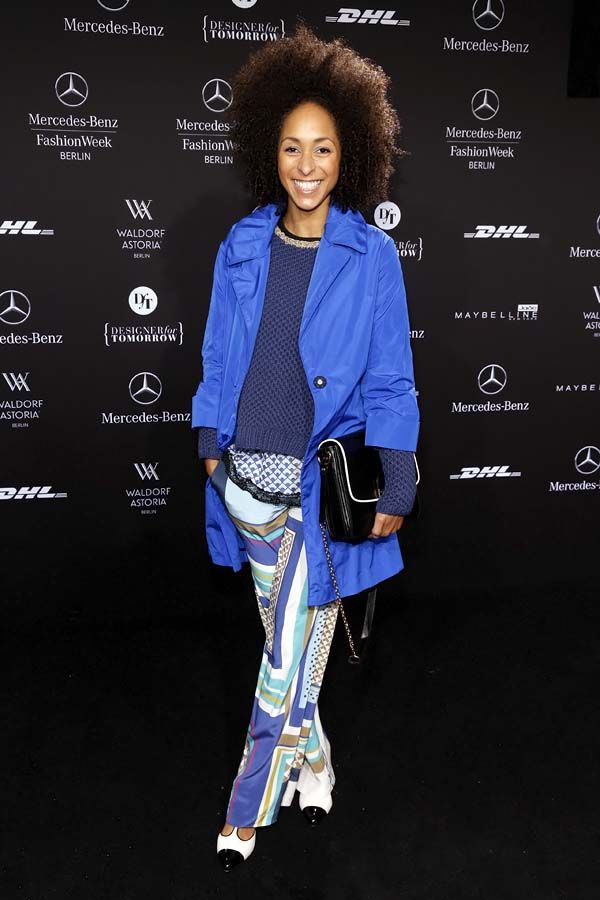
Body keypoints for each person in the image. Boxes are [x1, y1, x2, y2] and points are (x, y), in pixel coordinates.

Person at [191, 21, 420, 870]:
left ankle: (244, 812)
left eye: (324, 148)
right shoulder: (243, 243)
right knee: (291, 654)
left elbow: (391, 378)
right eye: (292, 147)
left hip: (319, 495)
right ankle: (316, 765)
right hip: (242, 482)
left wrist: (398, 476)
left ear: (349, 152)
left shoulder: (372, 255)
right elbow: (219, 355)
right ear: (270, 152)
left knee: (283, 664)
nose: (307, 164)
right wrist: (210, 446)